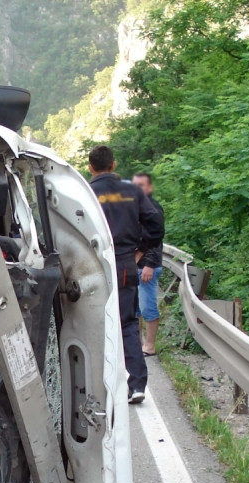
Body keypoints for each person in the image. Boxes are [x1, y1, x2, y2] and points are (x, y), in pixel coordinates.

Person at [88, 145, 164, 404]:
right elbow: (156, 225)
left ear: (90, 167)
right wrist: (140, 252)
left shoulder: (86, 193)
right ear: (114, 164)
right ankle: (137, 384)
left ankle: (96, 385)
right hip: (124, 264)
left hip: (92, 265)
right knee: (127, 322)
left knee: (91, 321)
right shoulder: (132, 192)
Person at [131, 172, 164, 355]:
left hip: (147, 266)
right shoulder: (137, 207)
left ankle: (150, 346)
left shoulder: (153, 208)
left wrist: (149, 264)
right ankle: (138, 343)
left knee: (147, 306)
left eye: (141, 185)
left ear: (149, 188)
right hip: (135, 265)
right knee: (135, 307)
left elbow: (156, 237)